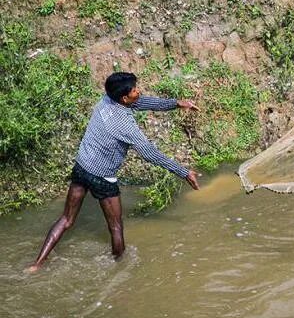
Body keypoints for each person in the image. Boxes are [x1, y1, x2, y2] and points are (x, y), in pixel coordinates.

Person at [28, 72, 200, 272]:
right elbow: (150, 154)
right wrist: (184, 172)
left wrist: (177, 103)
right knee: (116, 227)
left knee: (66, 219)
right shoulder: (125, 125)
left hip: (81, 168)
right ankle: (119, 271)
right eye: (135, 89)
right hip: (102, 177)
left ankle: (36, 264)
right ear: (124, 98)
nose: (138, 91)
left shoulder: (106, 101)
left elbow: (143, 102)